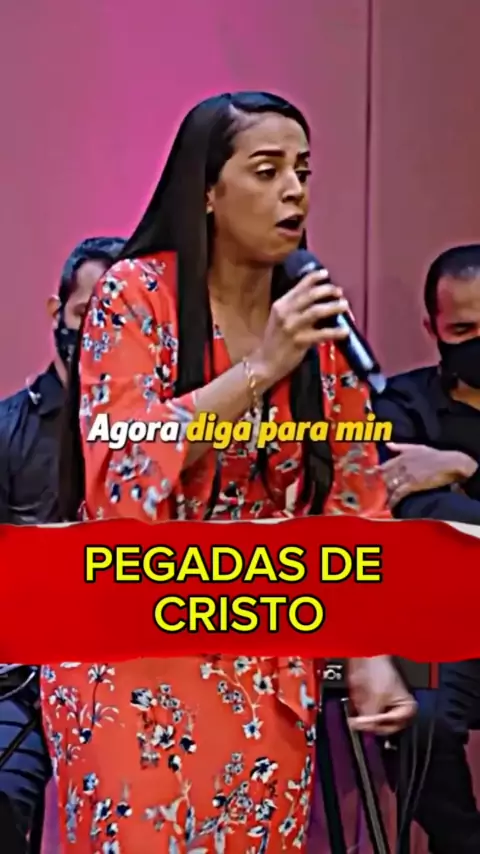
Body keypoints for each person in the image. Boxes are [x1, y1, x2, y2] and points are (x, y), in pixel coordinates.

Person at [42, 92, 416, 853]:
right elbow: (124, 471)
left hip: (266, 641)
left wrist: (369, 651)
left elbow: (354, 502)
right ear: (208, 191)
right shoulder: (134, 294)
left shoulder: (310, 318)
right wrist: (261, 367)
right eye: (268, 170)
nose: (294, 191)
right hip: (136, 636)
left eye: (303, 171)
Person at [0, 237, 125, 851]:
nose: (100, 334)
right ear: (58, 313)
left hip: (129, 681)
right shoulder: (7, 431)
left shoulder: (171, 437)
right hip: (20, 680)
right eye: (86, 315)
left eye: (118, 321)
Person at [373, 244, 480, 854]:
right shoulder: (399, 406)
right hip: (445, 625)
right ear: (431, 328)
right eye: (463, 331)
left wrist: (464, 466)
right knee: (418, 719)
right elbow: (414, 517)